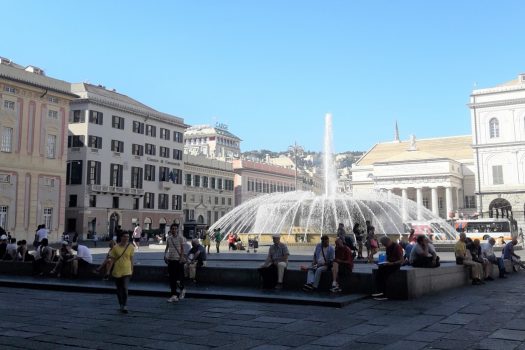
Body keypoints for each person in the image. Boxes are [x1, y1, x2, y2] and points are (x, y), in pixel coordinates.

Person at [108, 231, 134, 314]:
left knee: (125, 288)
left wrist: (132, 269)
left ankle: (125, 305)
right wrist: (108, 270)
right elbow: (112, 260)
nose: (126, 238)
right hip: (117, 270)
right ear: (121, 237)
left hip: (127, 271)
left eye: (128, 237)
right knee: (119, 290)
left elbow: (131, 259)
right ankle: (121, 304)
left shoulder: (131, 247)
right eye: (125, 236)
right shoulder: (115, 248)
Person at [165, 223, 187, 303]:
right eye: (172, 229)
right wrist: (165, 255)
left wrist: (181, 258)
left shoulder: (181, 238)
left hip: (178, 260)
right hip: (170, 260)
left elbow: (182, 249)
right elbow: (167, 248)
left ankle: (182, 289)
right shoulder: (169, 238)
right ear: (170, 230)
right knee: (171, 278)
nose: (174, 230)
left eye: (175, 228)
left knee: (178, 278)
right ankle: (174, 295)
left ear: (177, 229)